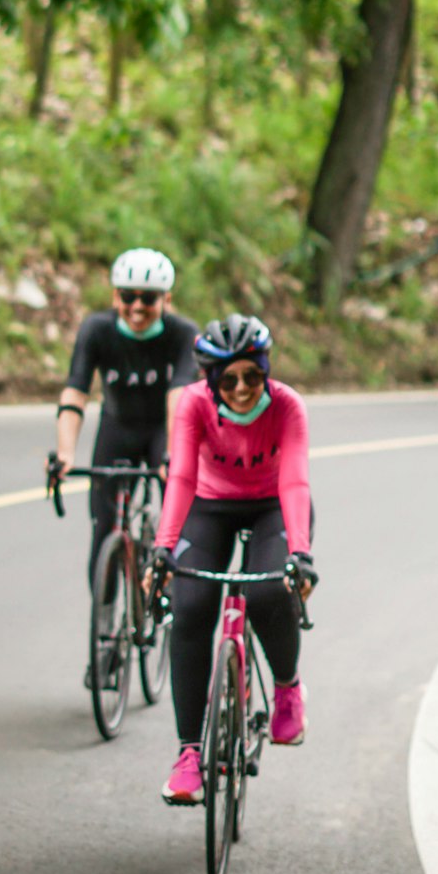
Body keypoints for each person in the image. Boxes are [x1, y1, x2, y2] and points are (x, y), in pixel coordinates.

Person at [149, 313, 317, 806]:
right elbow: (179, 476)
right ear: (210, 380)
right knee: (192, 608)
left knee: (268, 591)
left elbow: (295, 480)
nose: (242, 388)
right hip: (209, 504)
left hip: (273, 506)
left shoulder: (287, 406)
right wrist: (163, 546)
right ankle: (188, 755)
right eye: (229, 379)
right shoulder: (193, 404)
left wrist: (301, 554)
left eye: (252, 375)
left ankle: (287, 687)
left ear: (266, 370)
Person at [52, 249, 199, 619]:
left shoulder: (183, 334)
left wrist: (174, 456)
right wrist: (65, 453)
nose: (137, 306)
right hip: (116, 428)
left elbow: (179, 398)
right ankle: (103, 628)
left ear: (166, 299)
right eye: (127, 296)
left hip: (160, 431)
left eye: (148, 298)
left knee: (176, 518)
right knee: (103, 529)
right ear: (114, 296)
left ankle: (169, 594)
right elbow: (75, 392)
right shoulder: (96, 329)